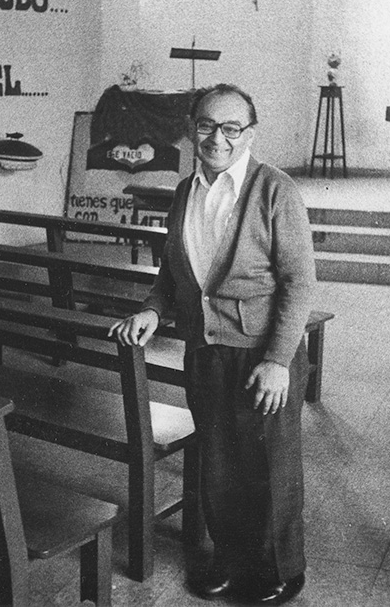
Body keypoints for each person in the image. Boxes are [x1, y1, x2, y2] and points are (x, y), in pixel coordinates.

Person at [110, 84, 316, 605]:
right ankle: (228, 555)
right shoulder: (186, 190)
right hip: (205, 345)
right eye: (206, 125)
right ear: (191, 128)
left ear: (250, 133)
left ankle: (279, 567)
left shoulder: (276, 190)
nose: (217, 138)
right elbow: (172, 269)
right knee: (219, 459)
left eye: (231, 128)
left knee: (269, 462)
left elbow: (299, 283)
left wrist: (277, 361)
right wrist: (153, 309)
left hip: (262, 350)